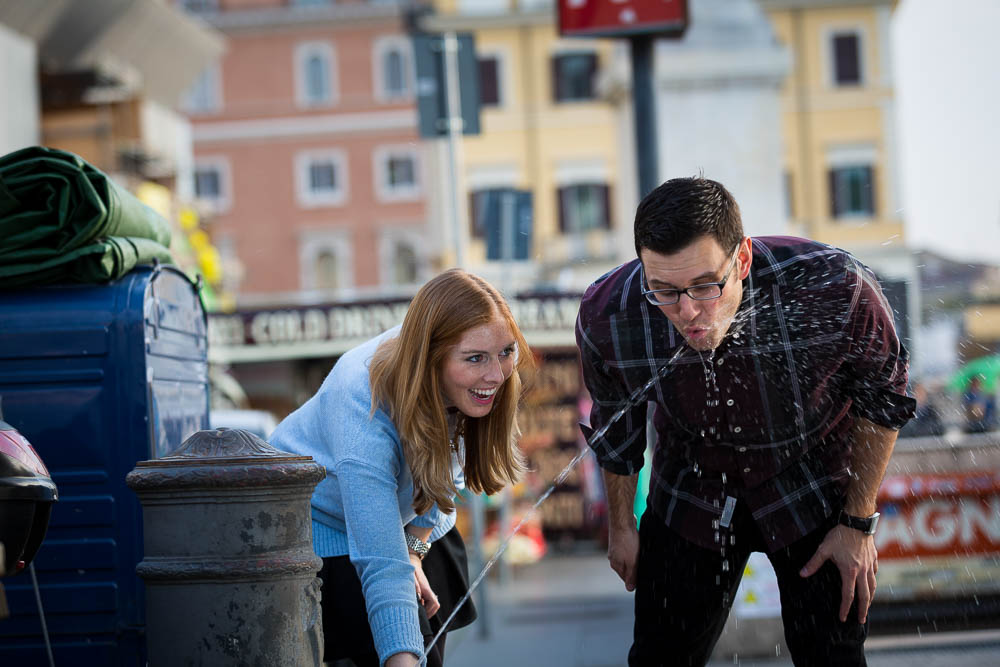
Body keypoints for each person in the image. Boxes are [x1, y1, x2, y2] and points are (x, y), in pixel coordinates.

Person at [575, 177, 915, 666]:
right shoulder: (608, 313)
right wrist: (622, 527)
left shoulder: (834, 285)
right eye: (664, 291)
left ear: (743, 259)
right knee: (659, 657)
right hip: (691, 489)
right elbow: (617, 428)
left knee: (833, 658)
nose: (687, 311)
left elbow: (886, 397)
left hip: (811, 485)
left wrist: (857, 522)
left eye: (704, 286)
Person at [269, 269, 534, 667]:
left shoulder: (469, 378)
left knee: (429, 640)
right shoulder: (361, 402)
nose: (495, 375)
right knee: (395, 642)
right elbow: (380, 562)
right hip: (327, 526)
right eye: (476, 359)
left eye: (506, 352)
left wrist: (414, 550)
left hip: (412, 521)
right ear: (431, 359)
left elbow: (447, 471)